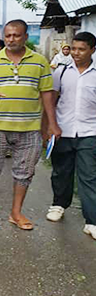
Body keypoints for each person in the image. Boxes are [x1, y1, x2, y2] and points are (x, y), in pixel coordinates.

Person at [0, 19, 56, 231]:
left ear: (26, 37)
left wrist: (51, 124)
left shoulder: (39, 62)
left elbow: (46, 94)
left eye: (16, 35)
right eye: (8, 35)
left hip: (29, 128)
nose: (11, 39)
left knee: (24, 172)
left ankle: (16, 212)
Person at [46, 31, 96, 237]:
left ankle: (92, 220)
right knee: (61, 171)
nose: (76, 53)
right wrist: (48, 126)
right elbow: (51, 100)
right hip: (63, 130)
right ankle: (59, 204)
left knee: (89, 176)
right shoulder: (62, 72)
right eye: (73, 48)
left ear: (92, 50)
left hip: (90, 132)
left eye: (81, 49)